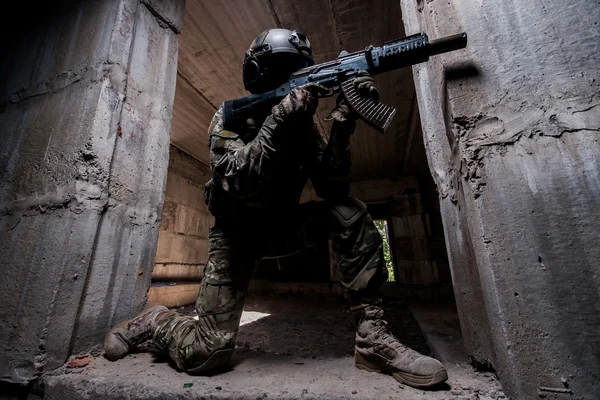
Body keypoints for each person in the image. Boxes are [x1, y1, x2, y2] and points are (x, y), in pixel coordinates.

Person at [103, 28, 448, 388]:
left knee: (349, 211)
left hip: (283, 230)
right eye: (281, 69)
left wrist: (343, 123)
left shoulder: (303, 126)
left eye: (296, 70)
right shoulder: (230, 119)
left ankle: (373, 339)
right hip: (235, 238)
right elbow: (232, 181)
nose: (290, 79)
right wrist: (277, 122)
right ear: (258, 74)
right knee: (207, 353)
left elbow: (332, 187)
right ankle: (156, 320)